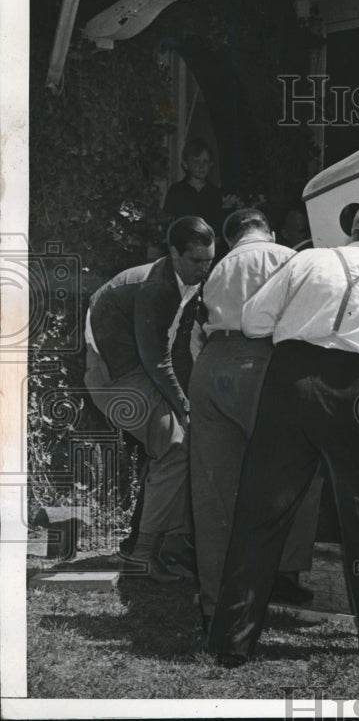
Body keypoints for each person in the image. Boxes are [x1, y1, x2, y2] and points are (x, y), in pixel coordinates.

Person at [207, 199, 359, 666]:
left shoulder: (308, 258)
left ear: (355, 228)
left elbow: (253, 320)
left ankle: (231, 641)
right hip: (356, 391)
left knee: (260, 509)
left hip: (289, 379)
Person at [188, 209, 323, 634]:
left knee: (213, 493)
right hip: (265, 360)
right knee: (298, 471)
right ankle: (282, 574)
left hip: (212, 366)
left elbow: (194, 329)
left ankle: (215, 604)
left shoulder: (215, 269)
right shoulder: (289, 257)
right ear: (271, 231)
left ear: (230, 239)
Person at [84, 216, 215, 581]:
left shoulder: (187, 281)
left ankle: (164, 546)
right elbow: (156, 359)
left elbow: (179, 353)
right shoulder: (156, 286)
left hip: (140, 371)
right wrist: (185, 407)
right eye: (196, 261)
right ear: (173, 253)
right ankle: (142, 555)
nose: (204, 269)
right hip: (116, 375)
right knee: (175, 447)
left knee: (181, 444)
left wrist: (191, 401)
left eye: (209, 261)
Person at [163, 139, 222, 234]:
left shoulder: (215, 193)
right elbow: (167, 222)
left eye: (205, 161)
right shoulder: (176, 191)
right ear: (186, 164)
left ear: (211, 164)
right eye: (196, 161)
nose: (202, 166)